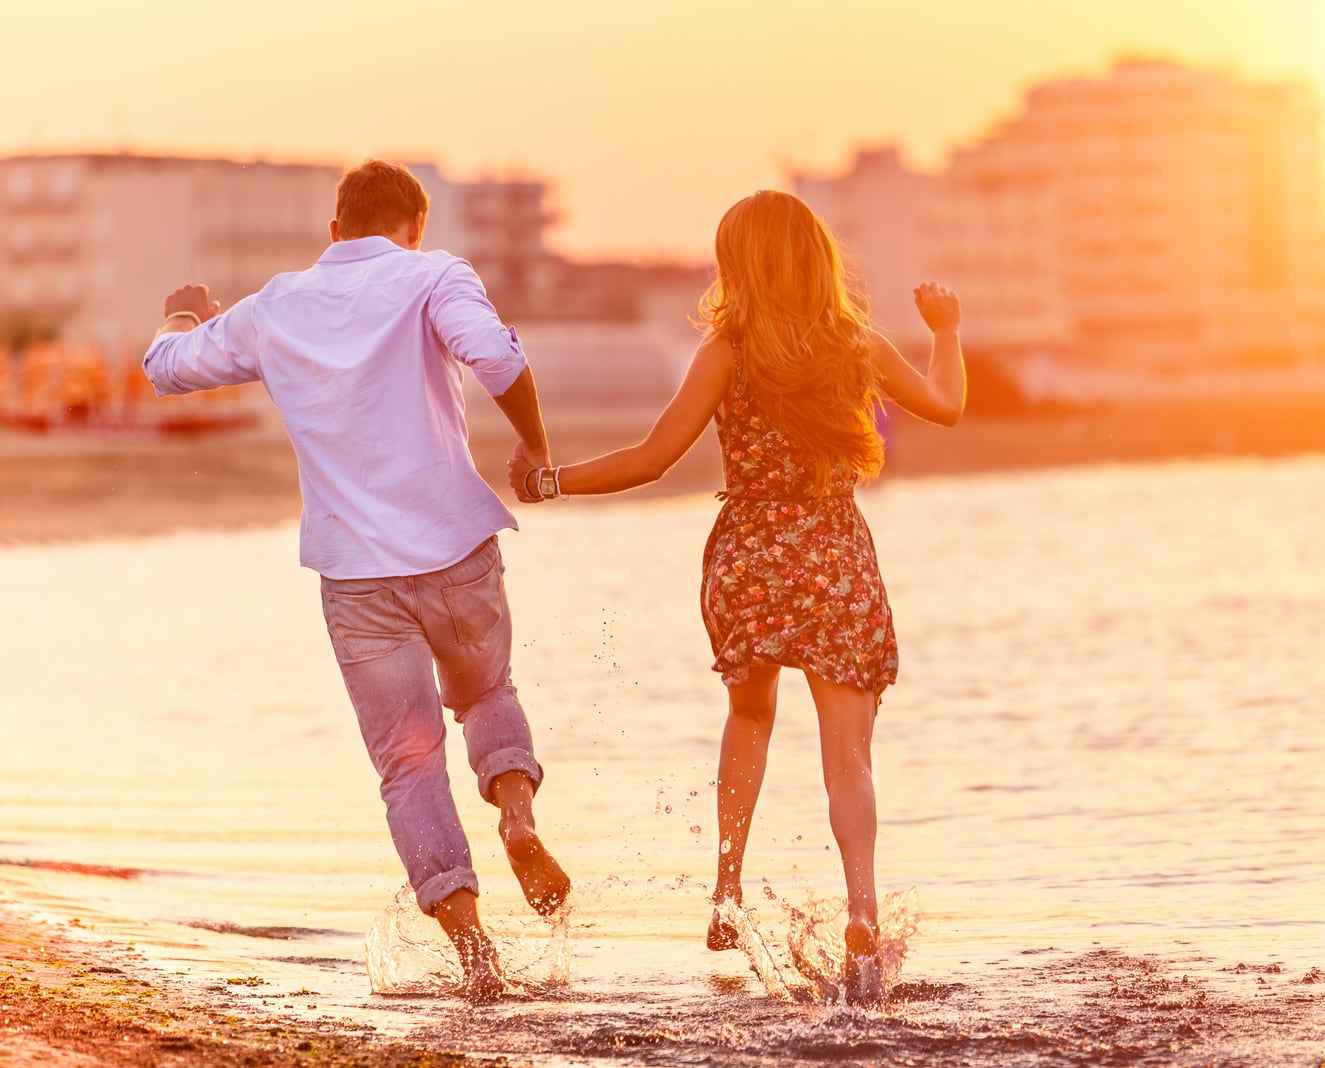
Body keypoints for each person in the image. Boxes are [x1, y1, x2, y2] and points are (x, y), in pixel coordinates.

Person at [507, 190, 964, 993]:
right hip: (834, 555)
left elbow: (653, 457)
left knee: (749, 717)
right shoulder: (858, 345)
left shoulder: (728, 350)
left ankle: (726, 890)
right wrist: (948, 333)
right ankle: (861, 908)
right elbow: (949, 406)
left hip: (750, 556)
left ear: (740, 265)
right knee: (848, 755)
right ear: (816, 259)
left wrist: (550, 481)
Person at [143, 158, 569, 1002]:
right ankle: (517, 817)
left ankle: (475, 954)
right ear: (414, 225)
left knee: (410, 768)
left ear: (333, 232)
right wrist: (538, 450)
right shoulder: (433, 274)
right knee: (487, 695)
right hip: (455, 555)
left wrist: (183, 314)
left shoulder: (275, 307)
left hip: (358, 582)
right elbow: (493, 355)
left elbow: (167, 367)